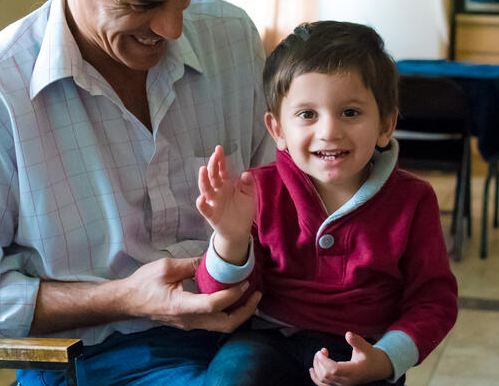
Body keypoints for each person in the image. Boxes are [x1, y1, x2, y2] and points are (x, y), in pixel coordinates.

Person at [0, 0, 274, 384]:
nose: (172, 29)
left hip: (258, 329)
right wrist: (122, 297)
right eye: (143, 5)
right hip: (98, 354)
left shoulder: (231, 38)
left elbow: (287, 200)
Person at [195, 21, 458, 386]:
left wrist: (384, 360)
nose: (329, 131)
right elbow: (218, 296)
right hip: (265, 342)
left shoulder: (414, 201)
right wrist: (230, 239)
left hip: (365, 352)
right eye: (307, 114)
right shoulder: (256, 191)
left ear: (385, 125)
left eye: (350, 112)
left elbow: (434, 301)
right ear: (277, 130)